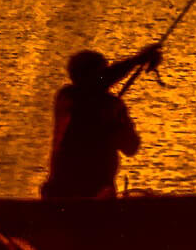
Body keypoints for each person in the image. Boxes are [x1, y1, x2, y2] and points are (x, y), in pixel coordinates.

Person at [40, 43, 161, 199]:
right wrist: (137, 60)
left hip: (86, 190)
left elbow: (131, 147)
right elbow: (131, 147)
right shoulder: (71, 98)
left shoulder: (67, 97)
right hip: (82, 190)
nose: (107, 75)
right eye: (103, 71)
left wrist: (137, 60)